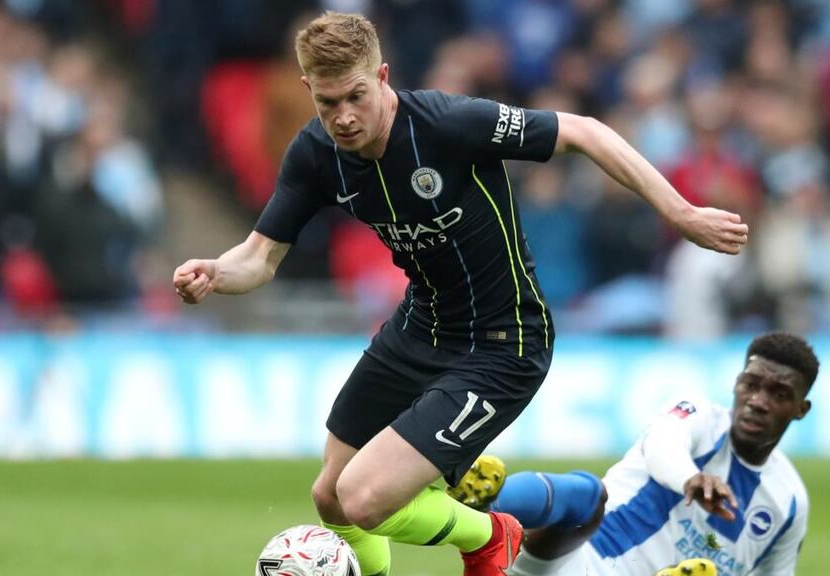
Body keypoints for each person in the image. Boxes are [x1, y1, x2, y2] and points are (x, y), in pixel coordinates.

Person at [173, 12, 749, 576]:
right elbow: (259, 257)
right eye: (327, 103)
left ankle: (494, 532)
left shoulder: (446, 124)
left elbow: (584, 131)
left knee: (365, 498)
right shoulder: (315, 154)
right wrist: (215, 273)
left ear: (381, 77)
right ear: (308, 90)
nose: (343, 117)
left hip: (505, 342)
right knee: (330, 495)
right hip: (420, 328)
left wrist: (681, 211)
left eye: (355, 97)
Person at [452, 332, 816, 576]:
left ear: (801, 409)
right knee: (587, 495)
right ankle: (481, 501)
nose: (758, 402)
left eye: (779, 394)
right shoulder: (698, 417)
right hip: (574, 564)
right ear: (737, 383)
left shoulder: (789, 502)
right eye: (750, 385)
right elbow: (662, 446)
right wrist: (690, 478)